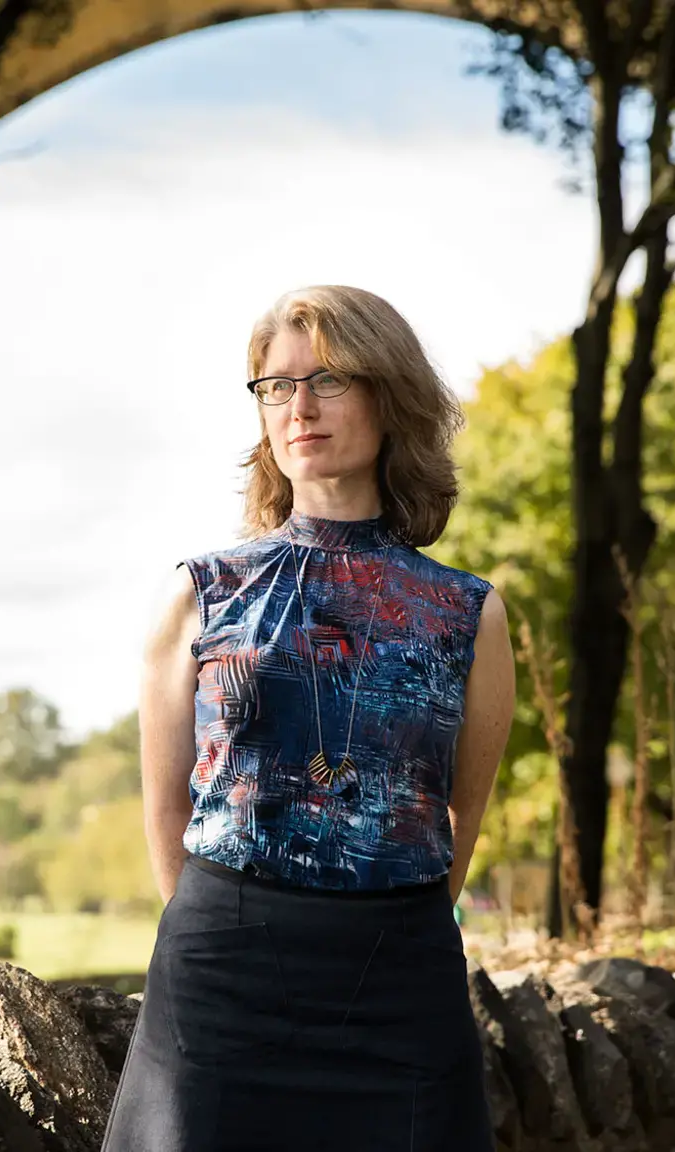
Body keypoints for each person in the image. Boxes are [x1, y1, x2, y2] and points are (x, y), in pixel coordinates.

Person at [102, 285, 516, 1151]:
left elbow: (461, 812)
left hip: (398, 981)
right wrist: (230, 928)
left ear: (388, 395)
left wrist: (389, 920)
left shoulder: (467, 613)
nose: (299, 407)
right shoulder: (201, 592)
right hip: (223, 974)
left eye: (327, 379)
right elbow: (167, 812)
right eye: (276, 386)